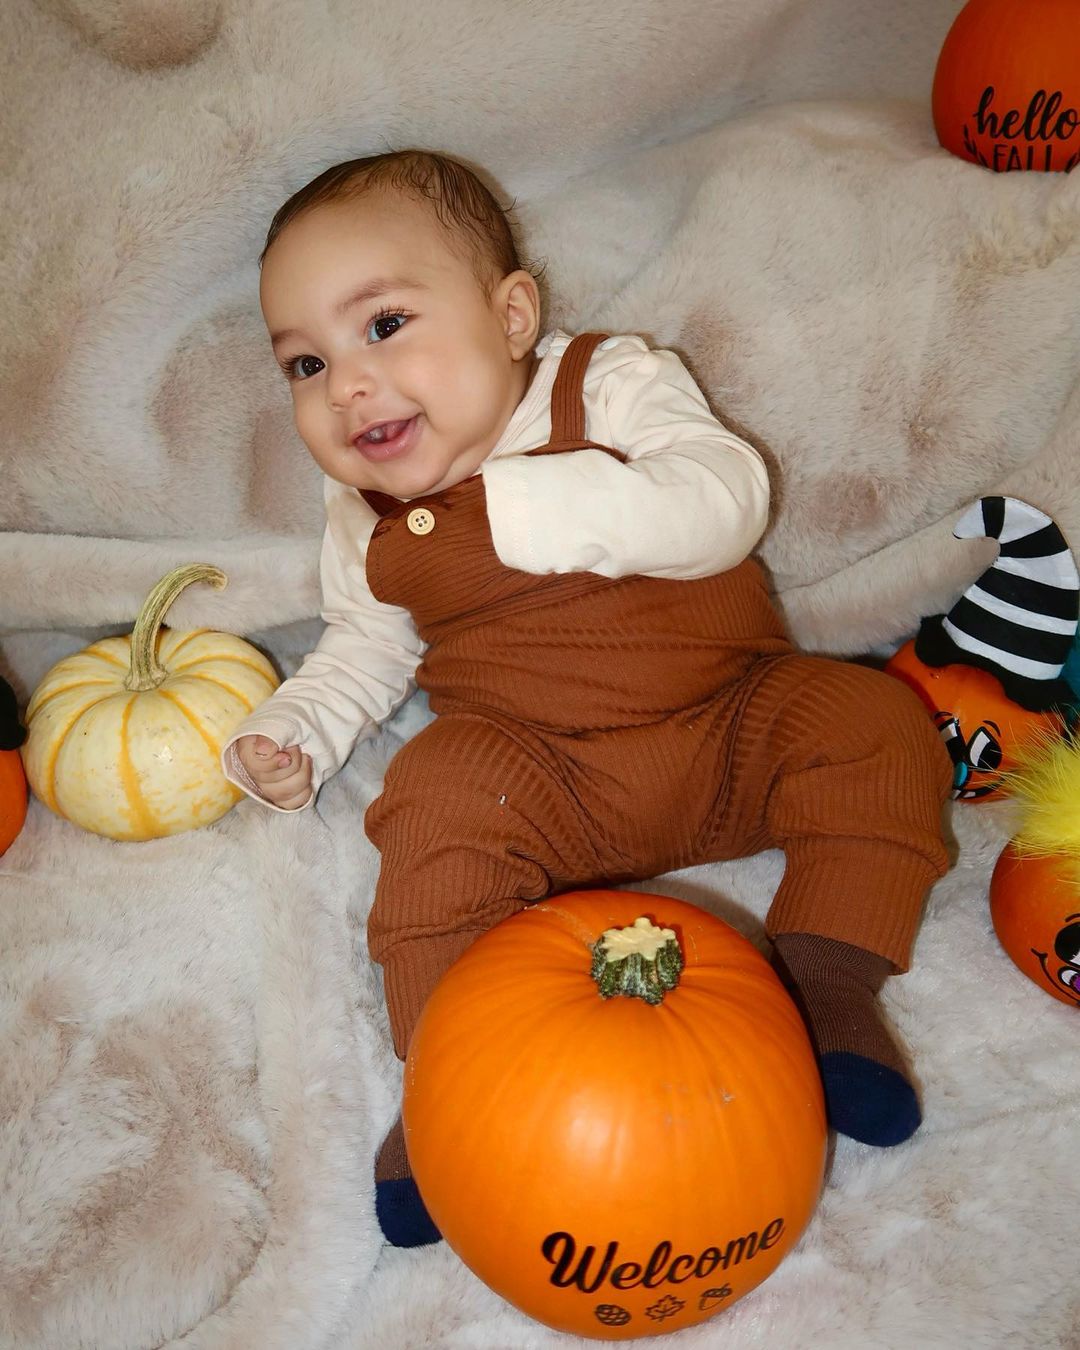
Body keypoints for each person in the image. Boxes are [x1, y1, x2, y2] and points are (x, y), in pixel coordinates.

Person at [223, 149, 953, 1248]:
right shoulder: (361, 509)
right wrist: (298, 733)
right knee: (432, 798)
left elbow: (727, 497)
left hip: (730, 725)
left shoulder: (607, 383)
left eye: (384, 325)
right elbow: (365, 644)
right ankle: (448, 1080)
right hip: (542, 788)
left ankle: (829, 984)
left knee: (874, 725)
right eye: (305, 364)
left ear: (511, 315)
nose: (347, 385)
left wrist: (531, 507)